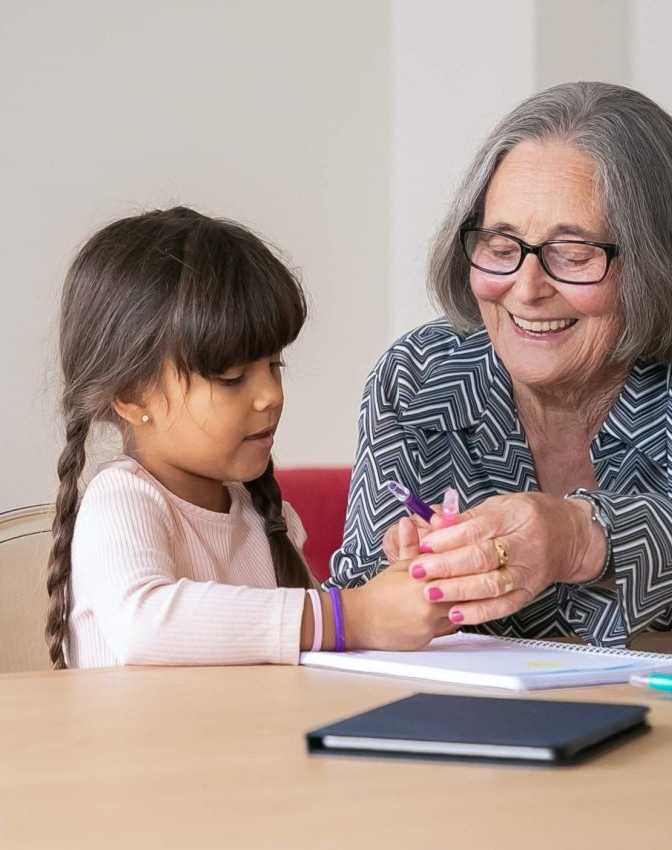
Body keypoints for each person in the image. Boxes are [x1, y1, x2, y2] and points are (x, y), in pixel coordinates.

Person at [331, 82, 672, 647]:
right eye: (499, 244)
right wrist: (410, 584)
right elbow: (365, 597)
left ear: (656, 263)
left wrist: (580, 537)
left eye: (575, 254)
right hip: (483, 721)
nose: (527, 287)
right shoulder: (423, 373)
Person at [45, 207, 452, 669]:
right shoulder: (124, 499)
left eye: (275, 366)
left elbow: (312, 647)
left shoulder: (264, 517)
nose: (271, 396)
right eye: (233, 377)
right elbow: (146, 624)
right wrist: (351, 616)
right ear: (132, 395)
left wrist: (407, 586)